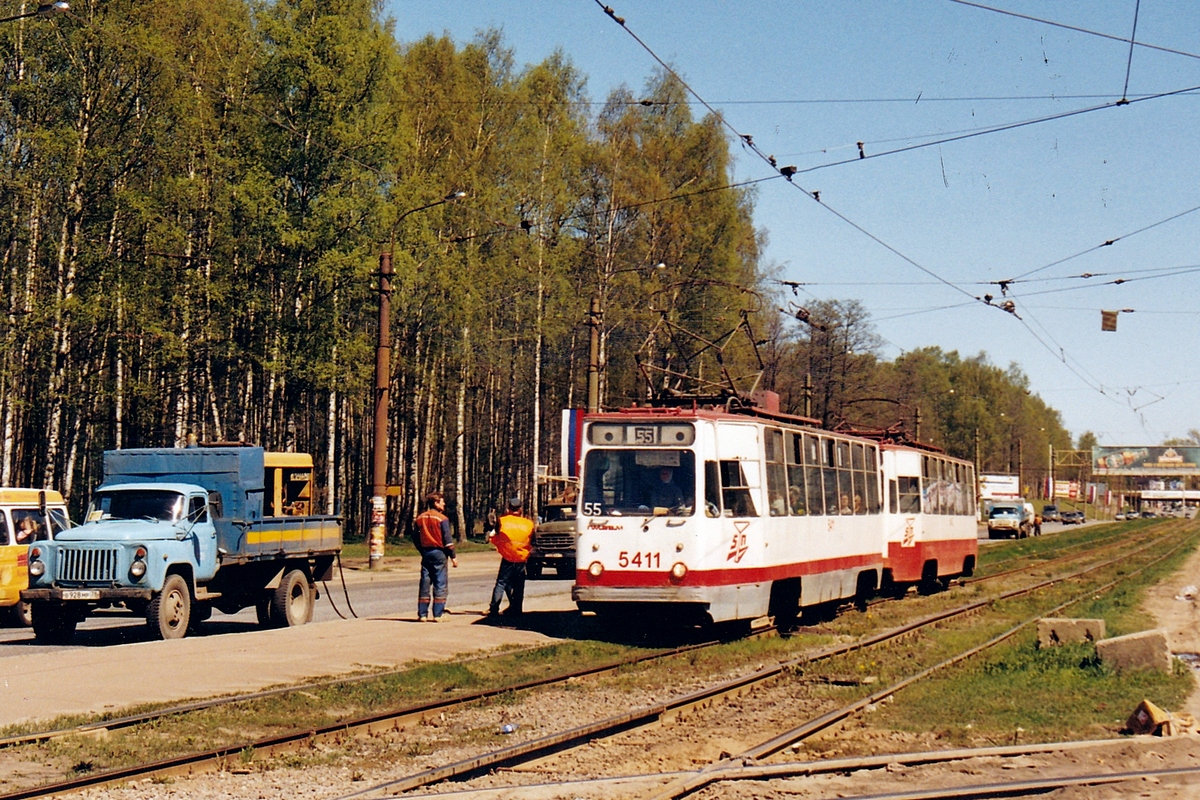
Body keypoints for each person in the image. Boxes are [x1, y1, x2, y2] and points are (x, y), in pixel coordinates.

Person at [487, 496, 534, 620]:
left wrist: (499, 545)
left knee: (501, 583)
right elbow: (532, 540)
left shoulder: (502, 521)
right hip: (521, 558)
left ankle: (494, 608)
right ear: (520, 509)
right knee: (519, 585)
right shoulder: (528, 524)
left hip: (507, 557)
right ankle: (517, 609)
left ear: (508, 508)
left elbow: (494, 535)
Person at [414, 491, 457, 622]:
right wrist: (453, 556)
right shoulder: (442, 519)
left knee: (425, 582)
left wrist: (422, 550)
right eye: (442, 502)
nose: (444, 504)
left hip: (426, 553)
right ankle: (438, 614)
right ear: (436, 503)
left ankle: (422, 614)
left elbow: (415, 537)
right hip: (439, 552)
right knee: (440, 582)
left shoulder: (420, 518)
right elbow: (447, 540)